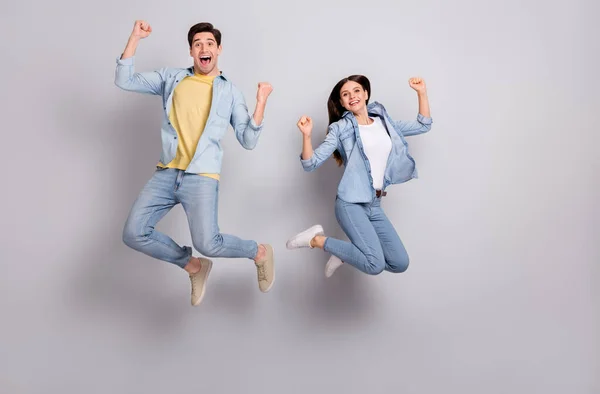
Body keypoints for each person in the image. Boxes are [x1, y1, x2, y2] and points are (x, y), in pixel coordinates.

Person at [114, 20, 275, 306]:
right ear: (191, 51)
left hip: (201, 176)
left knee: (209, 243)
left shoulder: (230, 92)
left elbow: (248, 139)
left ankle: (259, 252)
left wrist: (260, 102)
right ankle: (194, 266)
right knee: (133, 233)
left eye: (210, 44)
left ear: (219, 49)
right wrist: (135, 37)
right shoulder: (172, 78)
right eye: (198, 44)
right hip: (167, 172)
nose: (204, 48)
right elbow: (125, 80)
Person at [286, 75, 432, 277]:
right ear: (342, 102)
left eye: (356, 91)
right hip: (350, 204)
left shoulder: (384, 122)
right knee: (375, 264)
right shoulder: (341, 128)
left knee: (399, 262)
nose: (352, 96)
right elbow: (311, 163)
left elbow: (423, 125)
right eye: (345, 94)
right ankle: (317, 240)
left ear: (365, 93)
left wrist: (421, 93)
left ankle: (344, 253)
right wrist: (307, 136)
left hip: (374, 204)